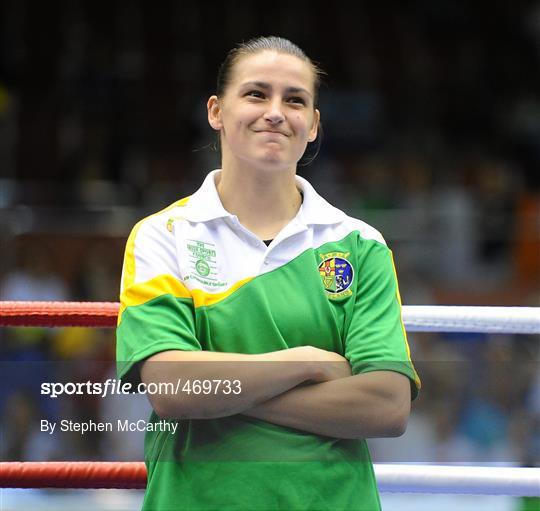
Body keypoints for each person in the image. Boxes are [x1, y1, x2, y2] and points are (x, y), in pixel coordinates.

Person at [116, 36, 420, 511]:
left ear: (314, 125)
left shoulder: (362, 245)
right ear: (216, 111)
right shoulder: (162, 235)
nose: (275, 112)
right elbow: (172, 387)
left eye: (294, 100)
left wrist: (220, 397)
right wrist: (305, 363)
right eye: (256, 94)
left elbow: (387, 405)